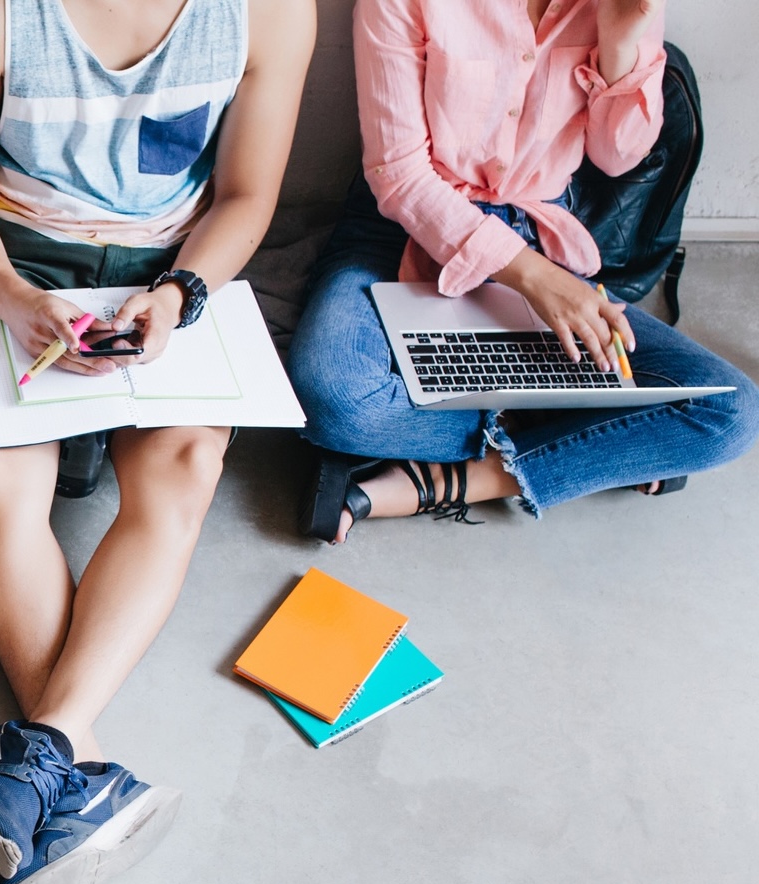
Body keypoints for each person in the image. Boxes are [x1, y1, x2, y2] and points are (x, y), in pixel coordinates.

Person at [0, 0, 314, 884]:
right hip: (11, 259)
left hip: (170, 270)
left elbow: (247, 194)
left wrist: (179, 295)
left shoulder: (272, 13)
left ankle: (43, 748)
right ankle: (81, 768)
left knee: (186, 473)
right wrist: (13, 296)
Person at [289, 0, 757, 543]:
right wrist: (535, 279)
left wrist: (619, 42)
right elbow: (398, 176)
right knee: (336, 401)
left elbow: (619, 157)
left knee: (730, 411)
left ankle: (454, 481)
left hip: (539, 235)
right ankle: (600, 442)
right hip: (401, 230)